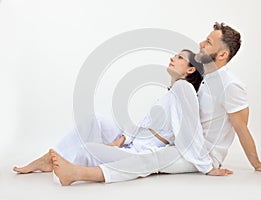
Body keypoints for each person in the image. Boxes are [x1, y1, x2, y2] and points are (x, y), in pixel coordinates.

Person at [44, 22, 261, 185]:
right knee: (105, 128)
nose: (201, 43)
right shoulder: (200, 80)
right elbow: (180, 119)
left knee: (153, 160)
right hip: (184, 143)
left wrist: (255, 164)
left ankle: (78, 172)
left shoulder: (230, 86)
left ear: (222, 55)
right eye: (205, 39)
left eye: (209, 43)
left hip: (202, 154)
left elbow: (241, 126)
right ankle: (54, 159)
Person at [14, 49, 231, 185]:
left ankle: (67, 167)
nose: (172, 58)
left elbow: (190, 129)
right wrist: (121, 140)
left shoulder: (184, 89)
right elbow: (145, 125)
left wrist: (207, 167)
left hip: (142, 150)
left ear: (191, 69)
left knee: (87, 148)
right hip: (132, 141)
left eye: (180, 58)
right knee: (96, 120)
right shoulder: (171, 91)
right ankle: (48, 159)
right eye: (175, 55)